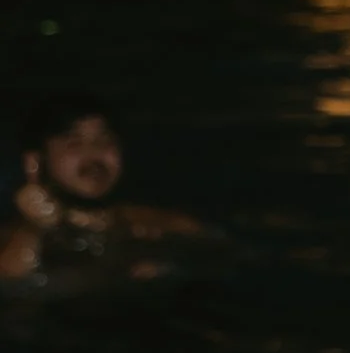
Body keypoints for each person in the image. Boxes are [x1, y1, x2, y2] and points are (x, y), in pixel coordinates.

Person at [0, 96, 205, 285]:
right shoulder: (13, 240)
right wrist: (33, 229)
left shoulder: (161, 224)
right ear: (34, 162)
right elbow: (9, 283)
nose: (94, 155)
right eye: (74, 143)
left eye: (105, 141)